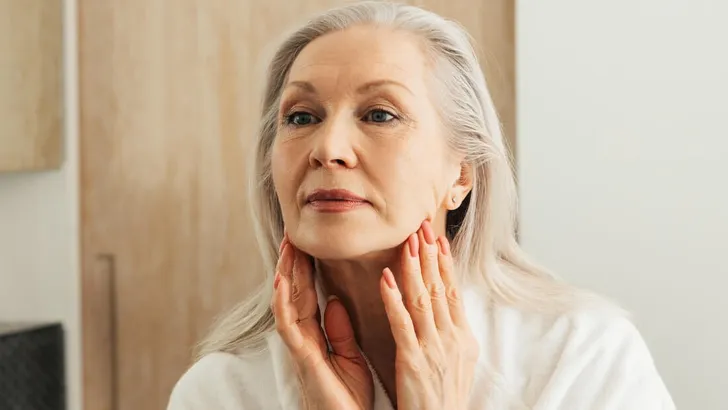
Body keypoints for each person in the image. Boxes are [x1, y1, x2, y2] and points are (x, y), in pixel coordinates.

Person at [167, 2, 675, 409]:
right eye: (301, 117)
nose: (328, 148)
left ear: (461, 175)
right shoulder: (218, 392)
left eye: (380, 114)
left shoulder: (583, 357)